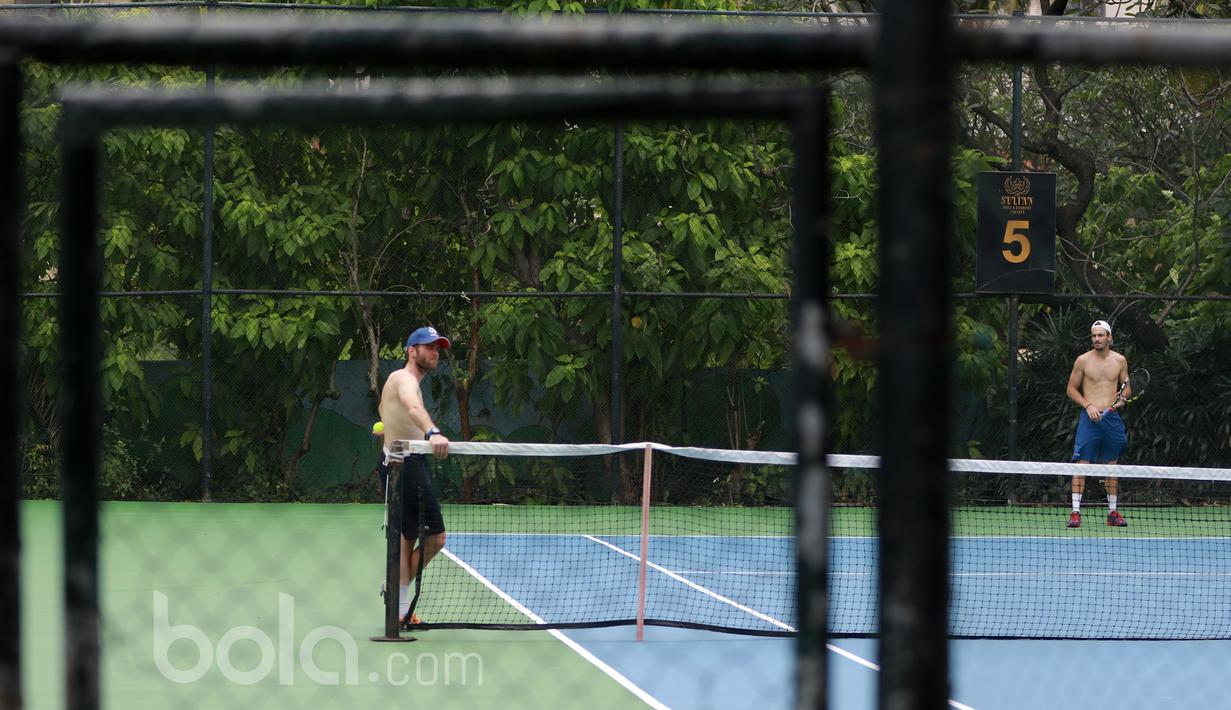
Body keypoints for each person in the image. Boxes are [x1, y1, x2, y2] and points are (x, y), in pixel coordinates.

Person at [378, 326, 452, 625]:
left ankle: (398, 608)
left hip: (400, 461)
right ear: (412, 351)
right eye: (429, 347)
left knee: (407, 538)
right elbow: (411, 406)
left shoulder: (399, 380)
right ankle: (396, 595)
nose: (435, 352)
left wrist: (390, 426)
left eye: (438, 348)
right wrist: (432, 432)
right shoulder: (403, 378)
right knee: (437, 538)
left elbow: (387, 409)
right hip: (405, 465)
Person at [1064, 319, 1130, 528]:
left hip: (1111, 418)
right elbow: (1071, 389)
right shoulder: (1082, 361)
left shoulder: (1120, 360)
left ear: (1109, 338)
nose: (1097, 339)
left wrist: (1123, 398)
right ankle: (1075, 513)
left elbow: (1127, 387)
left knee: (1112, 466)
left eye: (1100, 335)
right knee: (1081, 465)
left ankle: (1112, 513)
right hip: (1089, 419)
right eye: (1094, 336)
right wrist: (1088, 405)